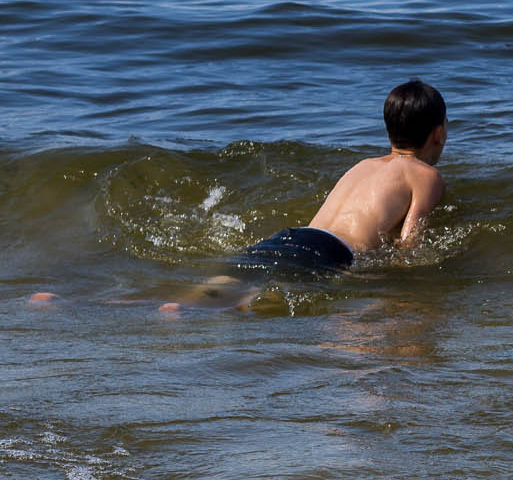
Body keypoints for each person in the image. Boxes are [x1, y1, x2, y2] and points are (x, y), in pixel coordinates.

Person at [157, 79, 448, 311]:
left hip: (291, 236)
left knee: (231, 280)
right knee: (276, 293)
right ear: (439, 134)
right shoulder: (425, 175)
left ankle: (184, 304)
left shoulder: (363, 166)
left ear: (389, 131)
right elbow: (411, 243)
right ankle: (235, 308)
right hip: (332, 252)